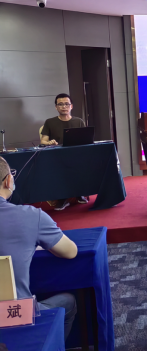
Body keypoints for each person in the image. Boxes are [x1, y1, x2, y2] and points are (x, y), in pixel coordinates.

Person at [0, 156, 78, 341]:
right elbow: (71, 251)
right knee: (68, 302)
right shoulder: (31, 216)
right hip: (14, 316)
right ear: (8, 180)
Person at [40, 93, 87, 210]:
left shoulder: (79, 121)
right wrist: (49, 142)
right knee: (59, 167)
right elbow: (43, 141)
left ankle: (79, 193)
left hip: (76, 154)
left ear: (71, 106)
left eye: (67, 104)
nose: (64, 106)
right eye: (60, 104)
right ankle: (62, 198)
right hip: (57, 155)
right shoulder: (50, 122)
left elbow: (86, 139)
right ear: (56, 107)